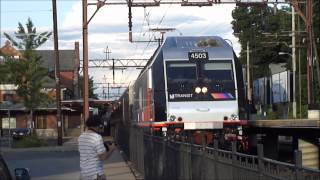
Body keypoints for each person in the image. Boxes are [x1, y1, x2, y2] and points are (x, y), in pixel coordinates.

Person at [78, 115, 115, 180]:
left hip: (84, 174)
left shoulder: (81, 137)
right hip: (96, 174)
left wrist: (103, 144)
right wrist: (111, 149)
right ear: (98, 125)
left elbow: (87, 151)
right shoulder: (97, 137)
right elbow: (103, 157)